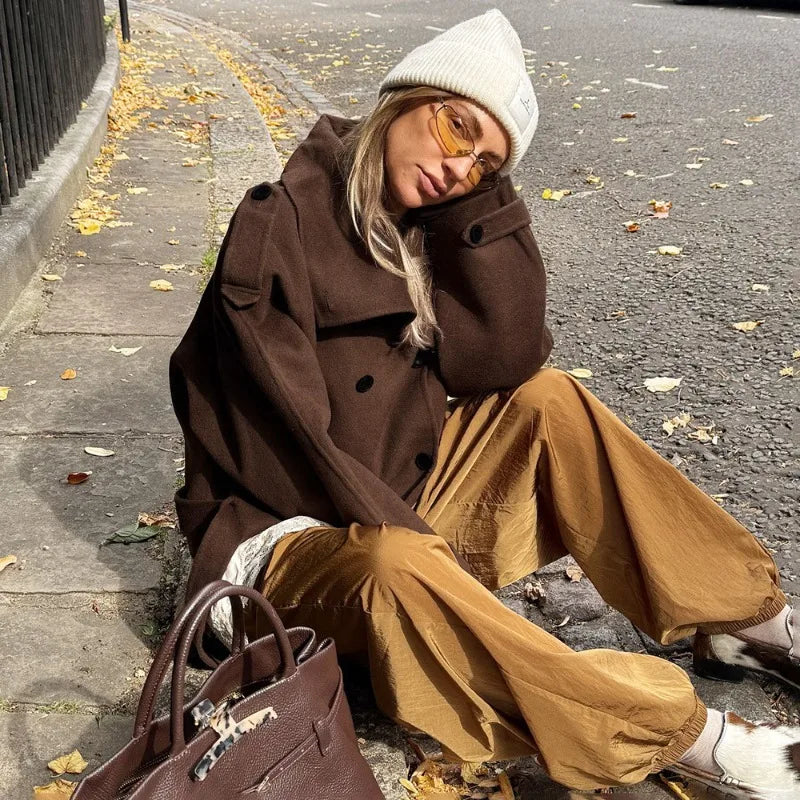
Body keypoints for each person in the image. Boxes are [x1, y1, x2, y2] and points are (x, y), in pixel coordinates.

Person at [169, 8, 800, 797]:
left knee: (548, 400)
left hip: (393, 500)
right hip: (278, 549)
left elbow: (504, 359)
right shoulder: (278, 227)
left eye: (483, 164)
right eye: (455, 126)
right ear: (405, 98)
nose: (456, 166)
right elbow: (293, 454)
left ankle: (747, 624)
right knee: (395, 561)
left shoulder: (415, 222)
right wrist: (443, 577)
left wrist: (475, 207)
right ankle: (687, 739)